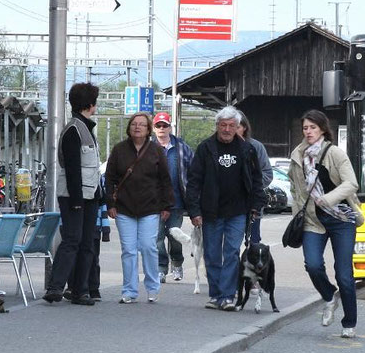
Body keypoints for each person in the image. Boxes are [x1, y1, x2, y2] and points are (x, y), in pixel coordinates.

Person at [287, 109, 364, 338]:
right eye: (305, 128)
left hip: (342, 219)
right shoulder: (297, 155)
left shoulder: (335, 153)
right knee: (312, 265)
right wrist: (296, 214)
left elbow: (351, 184)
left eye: (312, 127)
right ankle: (330, 297)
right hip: (313, 219)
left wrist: (327, 199)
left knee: (344, 274)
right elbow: (295, 188)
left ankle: (349, 323)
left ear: (322, 128)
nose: (308, 132)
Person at [185, 106, 266, 311]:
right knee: (212, 254)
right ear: (217, 126)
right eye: (223, 125)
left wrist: (256, 204)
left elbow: (256, 180)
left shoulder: (247, 150)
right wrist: (194, 211)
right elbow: (193, 181)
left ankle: (228, 296)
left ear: (238, 127)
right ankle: (215, 294)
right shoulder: (205, 148)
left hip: (238, 212)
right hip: (211, 211)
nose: (227, 129)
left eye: (232, 125)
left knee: (231, 252)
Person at [105, 112, 174, 304]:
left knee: (148, 247)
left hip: (150, 208)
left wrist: (167, 205)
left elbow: (165, 180)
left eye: (142, 125)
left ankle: (152, 288)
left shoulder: (156, 150)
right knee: (128, 250)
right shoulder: (119, 150)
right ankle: (129, 290)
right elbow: (109, 178)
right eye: (134, 124)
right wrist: (110, 203)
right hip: (124, 208)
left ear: (148, 129)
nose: (137, 127)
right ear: (129, 127)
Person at [43, 82, 102, 306]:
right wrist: (77, 201)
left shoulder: (85, 128)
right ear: (90, 104)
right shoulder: (74, 130)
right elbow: (73, 169)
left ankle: (81, 290)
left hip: (90, 196)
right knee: (72, 240)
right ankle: (55, 287)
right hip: (74, 197)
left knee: (87, 243)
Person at [152, 112, 193, 283]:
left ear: (170, 127)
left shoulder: (182, 148)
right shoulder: (148, 148)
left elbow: (194, 172)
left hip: (176, 201)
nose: (162, 129)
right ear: (153, 128)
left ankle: (177, 263)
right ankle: (161, 268)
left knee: (175, 236)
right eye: (158, 126)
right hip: (154, 203)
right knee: (157, 237)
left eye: (164, 125)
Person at [236, 111, 273, 243]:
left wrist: (249, 186)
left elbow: (268, 174)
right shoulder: (218, 148)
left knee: (253, 243)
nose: (232, 130)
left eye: (237, 127)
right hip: (229, 207)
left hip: (252, 206)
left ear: (244, 127)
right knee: (231, 245)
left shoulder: (256, 147)